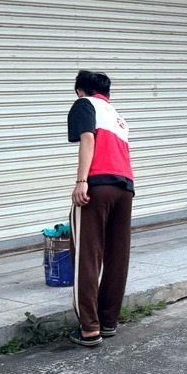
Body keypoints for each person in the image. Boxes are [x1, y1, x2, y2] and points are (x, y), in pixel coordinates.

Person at [67, 70, 135, 348]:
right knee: (117, 257)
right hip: (125, 188)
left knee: (86, 255)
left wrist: (81, 181)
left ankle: (89, 329)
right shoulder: (118, 116)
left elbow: (88, 139)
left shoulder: (85, 104)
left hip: (98, 185)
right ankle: (108, 322)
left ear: (80, 91)